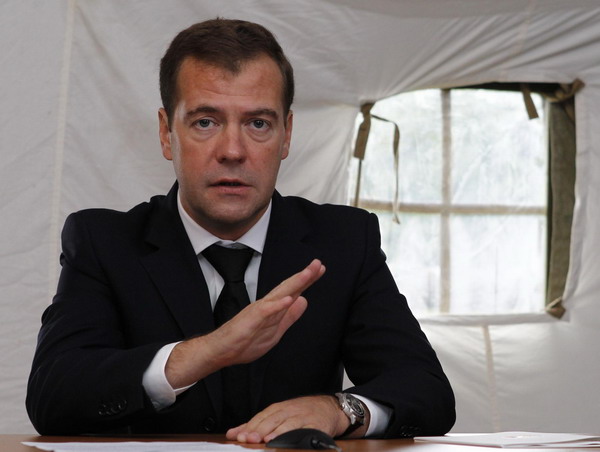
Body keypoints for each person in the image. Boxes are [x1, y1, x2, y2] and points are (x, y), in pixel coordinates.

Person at [26, 18, 455, 442]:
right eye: (206, 122)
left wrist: (339, 408)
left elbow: (427, 391)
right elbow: (54, 396)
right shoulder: (105, 241)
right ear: (165, 132)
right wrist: (208, 351)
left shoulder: (344, 241)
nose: (232, 151)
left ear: (286, 136)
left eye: (258, 124)